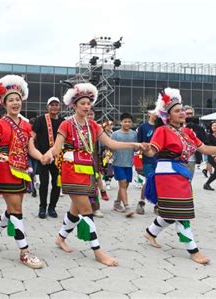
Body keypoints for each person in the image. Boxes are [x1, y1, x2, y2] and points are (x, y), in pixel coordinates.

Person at [44, 83, 144, 266]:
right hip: (71, 170)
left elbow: (111, 144)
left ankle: (60, 238)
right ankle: (98, 251)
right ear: (74, 105)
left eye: (88, 103)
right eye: (82, 103)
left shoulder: (93, 126)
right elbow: (56, 147)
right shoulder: (66, 124)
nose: (86, 106)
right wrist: (48, 155)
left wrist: (134, 145)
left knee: (75, 210)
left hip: (88, 170)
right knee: (86, 210)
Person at [142, 88, 216, 265]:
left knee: (173, 212)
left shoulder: (188, 133)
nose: (183, 113)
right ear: (168, 115)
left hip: (182, 173)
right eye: (178, 110)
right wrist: (145, 148)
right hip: (166, 175)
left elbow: (205, 149)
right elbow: (152, 152)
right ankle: (193, 250)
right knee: (182, 213)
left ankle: (150, 232)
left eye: (183, 110)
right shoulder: (162, 131)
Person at [0, 71, 46, 269]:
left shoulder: (27, 125)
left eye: (17, 99)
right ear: (4, 103)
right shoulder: (0, 124)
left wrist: (42, 156)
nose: (14, 103)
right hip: (4, 168)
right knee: (17, 210)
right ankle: (24, 252)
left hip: (22, 170)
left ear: (22, 101)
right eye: (10, 100)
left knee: (13, 210)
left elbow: (31, 149)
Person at [32, 97, 62, 219]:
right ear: (47, 107)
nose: (54, 107)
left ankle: (52, 207)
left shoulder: (63, 121)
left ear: (59, 107)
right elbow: (32, 135)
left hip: (58, 157)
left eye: (56, 105)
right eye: (51, 105)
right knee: (44, 183)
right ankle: (42, 207)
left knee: (57, 183)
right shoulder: (40, 120)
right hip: (43, 157)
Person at [111, 113, 137, 217]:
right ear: (120, 122)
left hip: (129, 163)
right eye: (125, 121)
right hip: (118, 163)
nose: (127, 123)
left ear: (132, 123)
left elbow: (136, 148)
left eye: (129, 121)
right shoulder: (115, 134)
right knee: (122, 183)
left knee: (125, 186)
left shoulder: (134, 134)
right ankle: (127, 207)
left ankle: (117, 203)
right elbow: (111, 146)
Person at [136, 105, 157, 215]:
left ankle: (157, 205)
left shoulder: (161, 127)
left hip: (160, 159)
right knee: (149, 179)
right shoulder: (143, 127)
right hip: (148, 159)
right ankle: (141, 202)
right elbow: (138, 144)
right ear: (149, 113)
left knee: (158, 181)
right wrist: (144, 147)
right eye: (154, 111)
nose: (156, 114)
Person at [183, 105, 208, 178]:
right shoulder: (177, 125)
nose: (190, 115)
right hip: (178, 158)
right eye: (187, 113)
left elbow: (204, 141)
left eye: (191, 113)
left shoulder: (199, 128)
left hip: (192, 157)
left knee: (189, 179)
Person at [203, 121, 216, 190]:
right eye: (213, 126)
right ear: (211, 128)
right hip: (212, 156)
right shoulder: (208, 135)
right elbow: (207, 145)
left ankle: (206, 184)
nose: (214, 127)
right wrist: (213, 154)